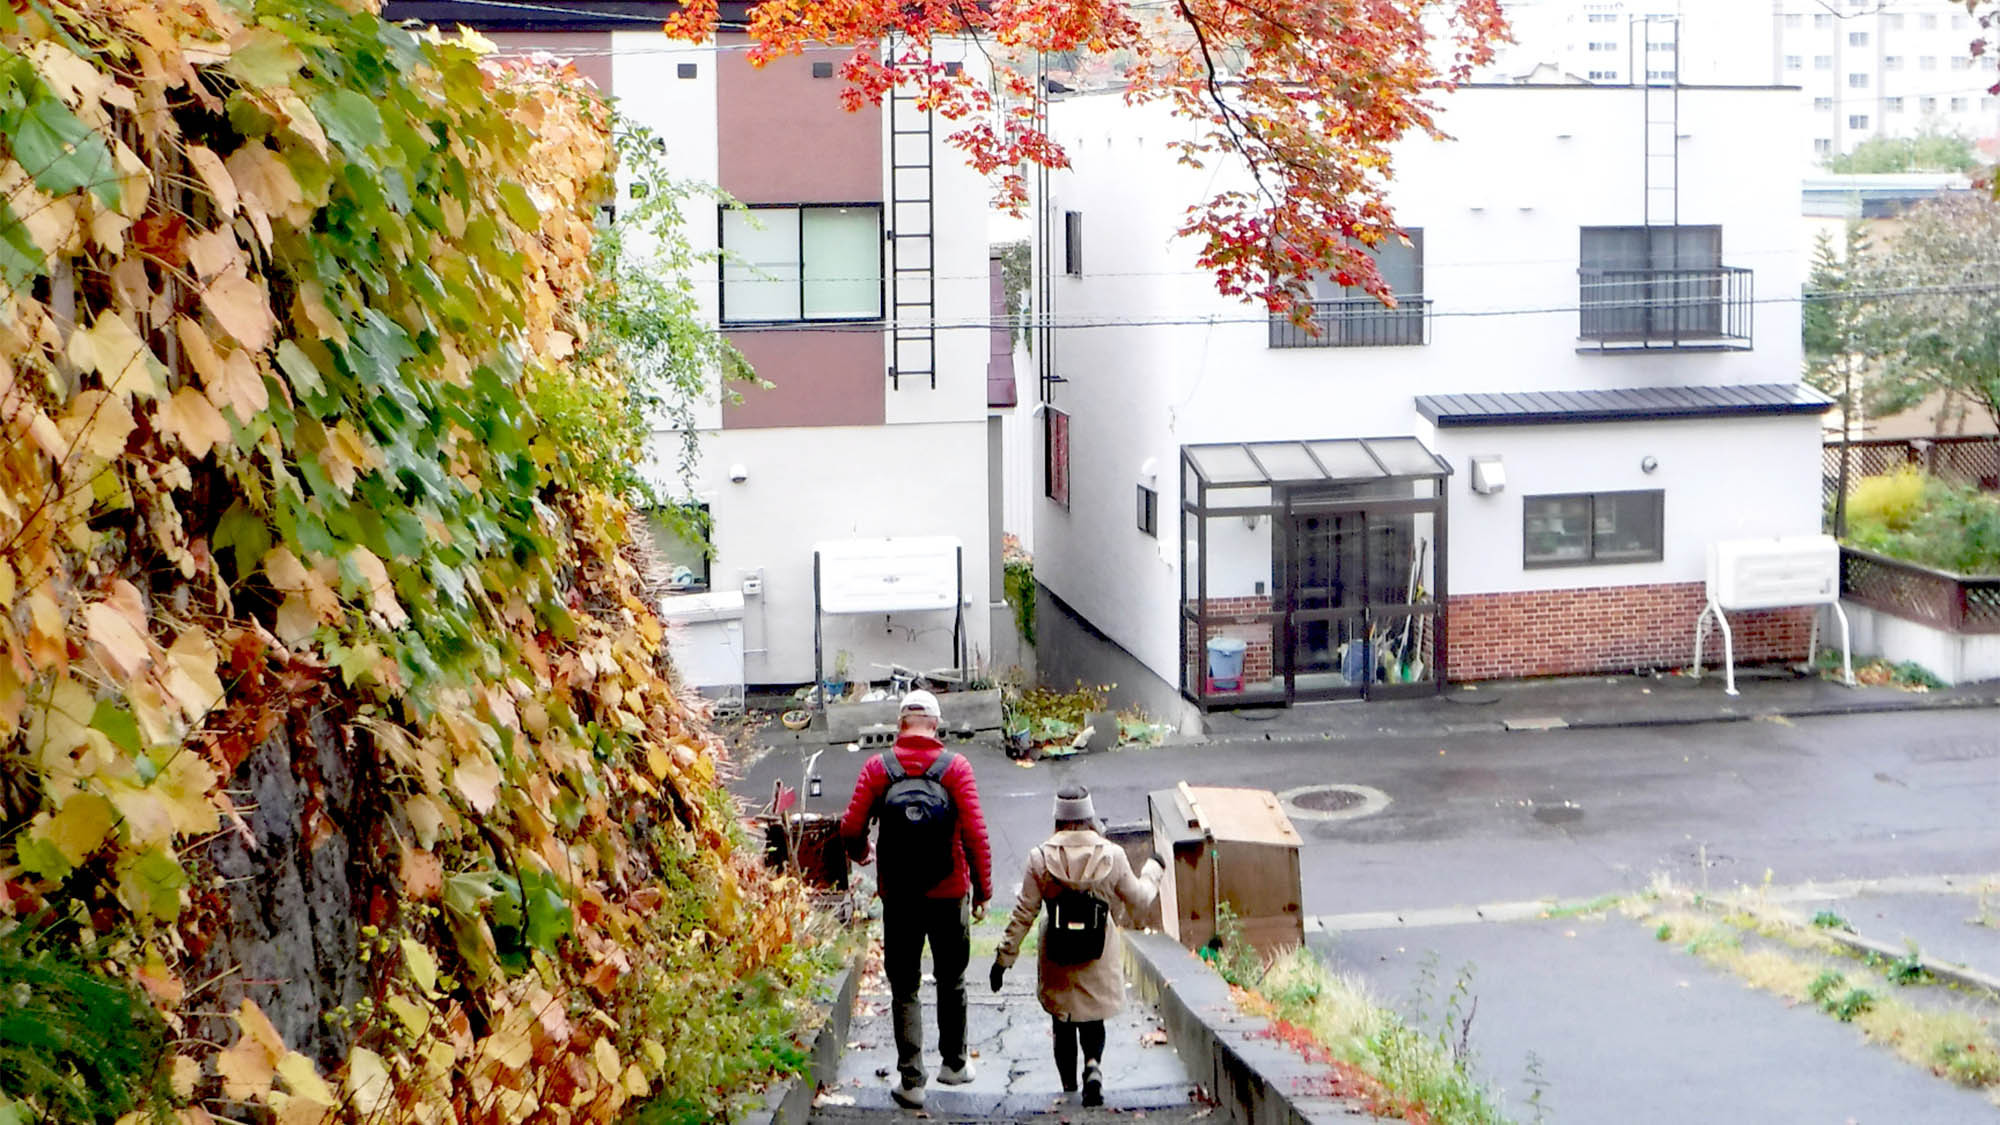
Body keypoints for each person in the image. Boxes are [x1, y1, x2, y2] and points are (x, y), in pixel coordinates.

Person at [840, 689, 993, 1110]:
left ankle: (912, 1079)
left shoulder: (878, 768)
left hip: (899, 895)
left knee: (904, 986)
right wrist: (983, 892)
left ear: (900, 723)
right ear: (936, 724)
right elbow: (976, 836)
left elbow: (851, 826)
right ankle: (955, 1064)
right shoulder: (955, 768)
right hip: (948, 893)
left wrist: (863, 854)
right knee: (952, 978)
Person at [989, 784, 1164, 1108]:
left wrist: (1004, 959)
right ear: (1089, 817)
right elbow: (1139, 901)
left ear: (1058, 819)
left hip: (1057, 952)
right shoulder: (1112, 855)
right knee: (1092, 1017)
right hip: (1098, 949)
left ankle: (1069, 1085)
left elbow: (1024, 913)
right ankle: (1093, 1066)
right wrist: (1154, 871)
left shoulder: (1041, 858)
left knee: (1063, 1019)